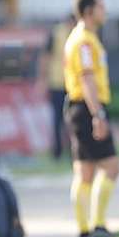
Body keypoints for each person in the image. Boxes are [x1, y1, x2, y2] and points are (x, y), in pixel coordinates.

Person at [63, 0, 119, 237]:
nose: (104, 11)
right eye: (100, 7)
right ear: (88, 11)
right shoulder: (84, 41)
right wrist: (97, 114)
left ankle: (85, 229)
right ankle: (96, 225)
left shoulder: (81, 38)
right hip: (87, 108)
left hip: (78, 107)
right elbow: (87, 79)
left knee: (84, 172)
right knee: (111, 166)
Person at [43, 14, 75, 160]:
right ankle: (58, 151)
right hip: (57, 82)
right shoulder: (56, 33)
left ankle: (72, 150)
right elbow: (46, 57)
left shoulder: (77, 34)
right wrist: (43, 79)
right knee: (57, 119)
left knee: (71, 119)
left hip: (71, 84)